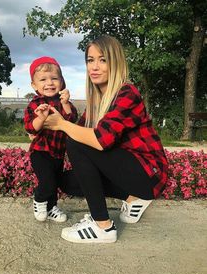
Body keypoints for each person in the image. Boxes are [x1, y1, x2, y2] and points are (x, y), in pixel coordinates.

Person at [44, 35, 168, 244]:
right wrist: (44, 119)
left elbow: (99, 140)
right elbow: (78, 129)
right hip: (127, 172)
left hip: (149, 172)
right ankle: (132, 198)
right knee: (66, 181)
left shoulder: (127, 92)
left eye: (103, 60)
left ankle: (103, 226)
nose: (95, 66)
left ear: (115, 62)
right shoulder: (96, 101)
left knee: (78, 141)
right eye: (90, 60)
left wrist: (63, 125)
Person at [24, 56, 78, 222]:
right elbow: (30, 127)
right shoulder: (35, 104)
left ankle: (52, 207)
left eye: (54, 78)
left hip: (58, 152)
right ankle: (39, 200)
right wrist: (40, 117)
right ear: (34, 85)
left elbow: (72, 120)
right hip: (40, 151)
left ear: (61, 82)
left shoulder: (63, 102)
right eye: (43, 79)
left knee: (54, 181)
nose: (49, 83)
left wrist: (67, 103)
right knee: (47, 180)